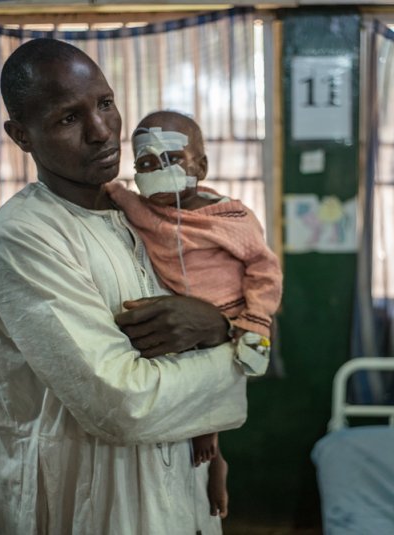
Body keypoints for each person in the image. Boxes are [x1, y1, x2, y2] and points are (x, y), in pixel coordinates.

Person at [0, 38, 268, 534]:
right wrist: (236, 349)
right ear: (21, 134)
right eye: (67, 119)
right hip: (91, 500)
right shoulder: (21, 240)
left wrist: (217, 329)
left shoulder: (145, 216)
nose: (102, 132)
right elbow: (122, 404)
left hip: (183, 476)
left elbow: (206, 320)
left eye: (105, 104)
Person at [105, 111, 283, 519]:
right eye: (146, 163)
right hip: (178, 317)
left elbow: (263, 268)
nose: (157, 170)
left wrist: (256, 321)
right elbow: (120, 195)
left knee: (217, 376)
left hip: (232, 314)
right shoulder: (146, 211)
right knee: (183, 374)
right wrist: (109, 189)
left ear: (200, 166)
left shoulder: (229, 218)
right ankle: (214, 454)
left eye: (172, 158)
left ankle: (214, 449)